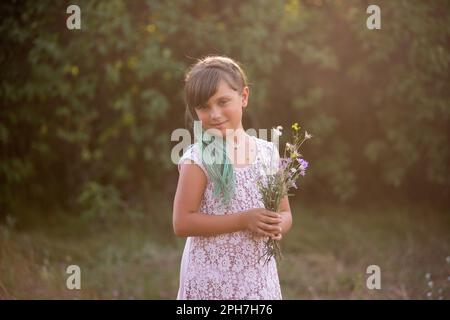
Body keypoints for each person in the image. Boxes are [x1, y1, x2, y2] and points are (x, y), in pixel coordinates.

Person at [173, 56, 292, 299]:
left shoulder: (267, 152)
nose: (215, 114)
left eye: (223, 101)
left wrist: (277, 225)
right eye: (204, 107)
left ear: (244, 97)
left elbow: (285, 211)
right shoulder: (198, 159)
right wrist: (243, 220)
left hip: (258, 278)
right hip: (212, 280)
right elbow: (182, 222)